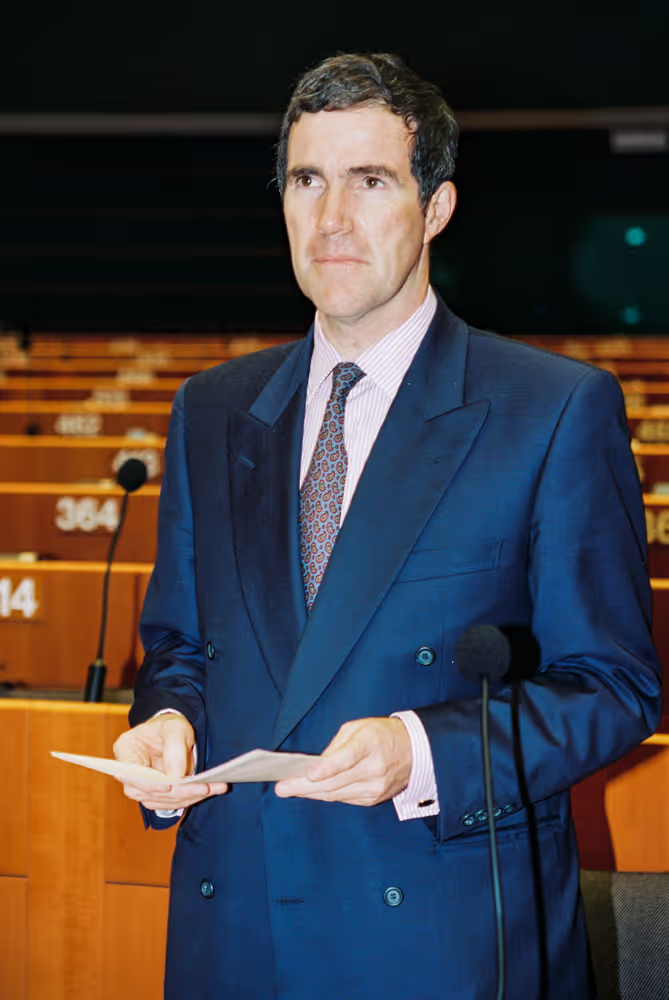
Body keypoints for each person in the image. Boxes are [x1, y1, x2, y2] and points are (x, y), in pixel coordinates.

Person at [113, 52, 661, 1000]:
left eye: (370, 182)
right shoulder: (212, 409)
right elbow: (179, 647)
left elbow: (613, 690)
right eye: (306, 180)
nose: (331, 219)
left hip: (440, 936)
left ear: (435, 207)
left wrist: (423, 747)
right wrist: (168, 724)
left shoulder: (553, 409)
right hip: (233, 924)